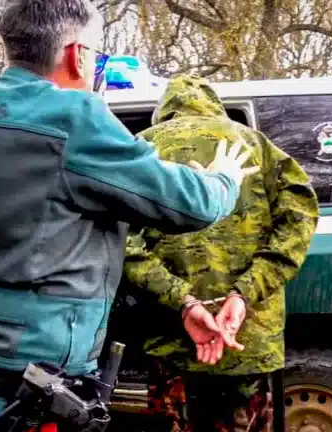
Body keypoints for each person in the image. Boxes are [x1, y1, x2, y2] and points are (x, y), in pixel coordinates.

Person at [0, 1, 259, 430]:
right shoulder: (74, 118)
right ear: (77, 54)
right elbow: (188, 203)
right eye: (97, 54)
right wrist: (224, 178)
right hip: (21, 400)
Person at [123, 74, 319, 432]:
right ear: (214, 106)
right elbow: (300, 216)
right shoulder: (257, 145)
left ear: (163, 112)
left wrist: (182, 298)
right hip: (248, 341)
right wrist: (246, 291)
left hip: (172, 344)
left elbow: (122, 241)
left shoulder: (143, 149)